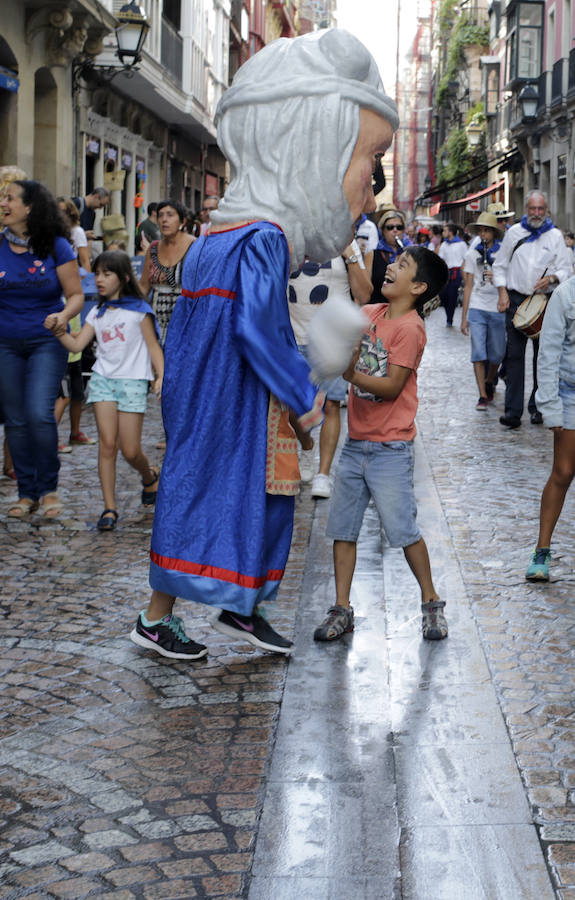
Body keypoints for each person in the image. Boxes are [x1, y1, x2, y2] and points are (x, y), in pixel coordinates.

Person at [128, 28, 399, 662]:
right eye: (370, 159)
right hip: (236, 401)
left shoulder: (218, 235)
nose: (373, 185)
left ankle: (241, 606)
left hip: (220, 398)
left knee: (249, 494)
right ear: (316, 145)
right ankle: (159, 617)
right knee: (219, 493)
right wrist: (304, 394)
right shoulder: (264, 237)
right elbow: (255, 324)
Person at [313, 246, 449, 643]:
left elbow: (391, 387)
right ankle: (342, 608)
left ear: (419, 287)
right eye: (396, 261)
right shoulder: (371, 315)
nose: (391, 266)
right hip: (356, 445)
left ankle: (431, 603)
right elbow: (342, 326)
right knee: (343, 529)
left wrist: (350, 373)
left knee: (403, 530)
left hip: (391, 449)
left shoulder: (410, 328)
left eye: (403, 265)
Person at [45, 251, 163, 531]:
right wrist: (59, 330)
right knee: (108, 445)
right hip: (103, 381)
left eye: (106, 274)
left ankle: (149, 476)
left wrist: (161, 377)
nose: (99, 279)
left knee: (131, 450)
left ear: (123, 278)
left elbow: (153, 347)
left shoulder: (140, 311)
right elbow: (76, 346)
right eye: (97, 273)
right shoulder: (97, 313)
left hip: (133, 381)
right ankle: (109, 508)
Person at [0, 180, 83, 518]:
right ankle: (26, 492)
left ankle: (49, 488)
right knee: (15, 420)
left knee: (37, 413)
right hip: (5, 343)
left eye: (9, 198)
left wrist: (62, 315)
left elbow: (76, 295)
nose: (3, 203)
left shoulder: (57, 246)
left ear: (29, 207)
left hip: (46, 341)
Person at [288, 239, 373, 498]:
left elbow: (364, 293)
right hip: (291, 335)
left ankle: (323, 474)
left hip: (333, 339)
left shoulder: (344, 243)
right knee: (293, 405)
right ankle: (306, 445)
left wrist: (349, 255)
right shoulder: (290, 237)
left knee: (331, 404)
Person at [493, 191, 573, 428]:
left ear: (546, 210)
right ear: (526, 209)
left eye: (541, 209)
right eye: (532, 209)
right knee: (514, 356)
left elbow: (566, 269)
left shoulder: (555, 236)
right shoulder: (514, 233)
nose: (536, 213)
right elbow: (500, 265)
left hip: (545, 303)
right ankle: (513, 412)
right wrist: (502, 292)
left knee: (544, 357)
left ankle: (538, 409)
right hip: (517, 300)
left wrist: (551, 279)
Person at [525, 274, 575, 581]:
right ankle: (541, 549)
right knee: (563, 471)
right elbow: (549, 352)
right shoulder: (566, 294)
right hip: (570, 393)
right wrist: (550, 405)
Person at [55, 198, 94, 450]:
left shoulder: (68, 244)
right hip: (55, 325)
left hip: (73, 321)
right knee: (61, 392)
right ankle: (52, 438)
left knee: (76, 387)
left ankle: (75, 432)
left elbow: (84, 271)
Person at [461, 212, 506, 410]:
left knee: (497, 354)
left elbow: (508, 281)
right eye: (480, 230)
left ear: (494, 233)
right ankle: (481, 394)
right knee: (478, 351)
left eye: (487, 230)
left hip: (497, 306)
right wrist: (464, 318)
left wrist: (497, 277)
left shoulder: (504, 253)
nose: (483, 234)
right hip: (477, 306)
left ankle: (489, 380)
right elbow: (468, 286)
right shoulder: (472, 254)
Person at [139, 200, 194, 346]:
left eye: (170, 215)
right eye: (161, 215)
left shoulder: (195, 246)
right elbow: (143, 286)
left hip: (186, 319)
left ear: (182, 220)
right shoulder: (154, 248)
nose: (164, 220)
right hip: (157, 319)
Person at [370, 209, 407, 303]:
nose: (395, 230)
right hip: (378, 305)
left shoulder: (408, 253)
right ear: (382, 231)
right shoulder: (372, 254)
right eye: (390, 227)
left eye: (399, 227)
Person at [438, 221, 467, 327]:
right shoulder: (444, 244)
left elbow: (465, 258)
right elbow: (440, 259)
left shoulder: (462, 244)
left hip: (457, 272)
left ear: (451, 232)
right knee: (443, 295)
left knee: (452, 295)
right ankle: (448, 315)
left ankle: (450, 318)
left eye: (445, 230)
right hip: (446, 272)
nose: (443, 232)